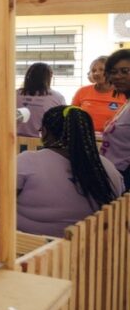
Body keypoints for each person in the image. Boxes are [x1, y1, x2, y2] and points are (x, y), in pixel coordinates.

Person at [17, 106, 123, 237]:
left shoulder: (28, 161)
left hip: (28, 249)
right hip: (88, 249)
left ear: (44, 132)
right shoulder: (108, 168)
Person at [72, 55, 127, 132]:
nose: (97, 73)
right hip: (86, 138)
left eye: (101, 70)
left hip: (114, 139)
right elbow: (71, 115)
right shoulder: (82, 91)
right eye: (93, 71)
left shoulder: (123, 93)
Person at [101, 48, 130, 189]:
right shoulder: (126, 103)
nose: (118, 76)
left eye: (125, 71)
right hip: (113, 175)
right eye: (113, 72)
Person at [16, 62, 66, 138]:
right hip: (44, 144)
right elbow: (63, 123)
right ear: (49, 77)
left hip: (14, 142)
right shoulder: (57, 97)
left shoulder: (15, 95)